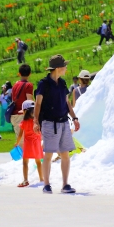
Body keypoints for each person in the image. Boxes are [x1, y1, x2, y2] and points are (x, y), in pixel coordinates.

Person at [34, 54, 80, 194]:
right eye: (64, 66)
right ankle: (46, 185)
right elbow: (38, 104)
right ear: (58, 68)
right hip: (49, 123)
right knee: (48, 155)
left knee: (65, 154)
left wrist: (75, 118)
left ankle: (65, 184)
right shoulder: (43, 84)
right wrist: (36, 122)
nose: (66, 68)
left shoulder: (62, 83)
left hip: (63, 122)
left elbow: (67, 103)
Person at [15, 100, 44, 187]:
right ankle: (41, 178)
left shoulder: (23, 122)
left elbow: (20, 135)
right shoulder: (37, 122)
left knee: (25, 163)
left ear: (25, 111)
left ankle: (25, 180)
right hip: (37, 144)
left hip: (28, 145)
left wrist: (16, 143)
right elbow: (41, 133)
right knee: (38, 162)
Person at [11, 64, 34, 144]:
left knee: (19, 139)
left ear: (19, 73)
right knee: (27, 141)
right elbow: (29, 101)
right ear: (30, 73)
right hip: (23, 115)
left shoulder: (15, 85)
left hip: (14, 115)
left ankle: (22, 156)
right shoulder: (28, 85)